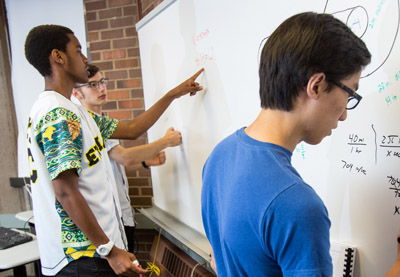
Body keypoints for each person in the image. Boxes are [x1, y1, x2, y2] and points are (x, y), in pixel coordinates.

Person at [25, 24, 203, 276]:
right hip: (83, 258)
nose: (85, 58)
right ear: (58, 56)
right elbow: (65, 191)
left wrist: (173, 94)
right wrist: (109, 250)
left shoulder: (74, 111)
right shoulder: (57, 113)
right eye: (78, 50)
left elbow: (131, 129)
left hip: (93, 253)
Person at [201, 12, 371, 276]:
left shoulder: (220, 155)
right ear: (316, 85)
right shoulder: (297, 205)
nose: (345, 113)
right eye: (349, 92)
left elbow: (216, 259)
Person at [72, 63, 182, 254]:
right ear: (76, 93)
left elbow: (109, 164)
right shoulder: (88, 123)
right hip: (109, 219)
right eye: (92, 85)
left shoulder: (101, 119)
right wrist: (166, 141)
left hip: (121, 214)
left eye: (102, 82)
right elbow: (125, 157)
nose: (101, 88)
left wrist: (145, 162)